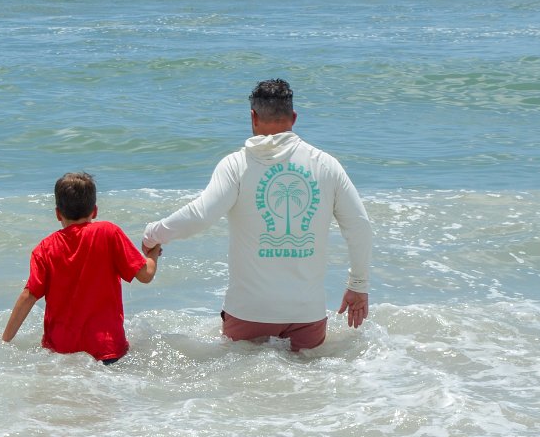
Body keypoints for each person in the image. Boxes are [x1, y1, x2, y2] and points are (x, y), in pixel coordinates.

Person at [142, 79, 372, 351]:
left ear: (253, 116)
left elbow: (201, 215)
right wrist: (358, 285)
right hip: (307, 314)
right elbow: (359, 226)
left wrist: (153, 234)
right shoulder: (326, 165)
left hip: (248, 312)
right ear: (294, 118)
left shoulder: (236, 164)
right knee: (307, 376)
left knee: (242, 376)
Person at [2, 172, 161, 364]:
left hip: (61, 354)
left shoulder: (44, 249)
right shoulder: (109, 233)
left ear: (57, 214)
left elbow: (28, 296)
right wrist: (153, 252)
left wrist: (4, 341)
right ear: (95, 211)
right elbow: (146, 274)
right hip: (107, 349)